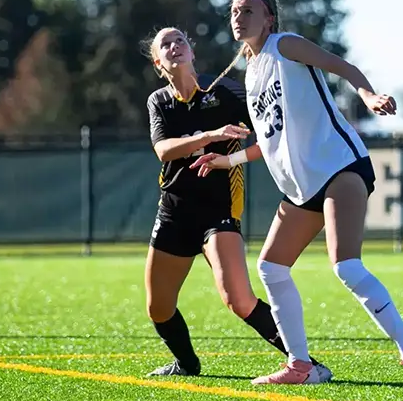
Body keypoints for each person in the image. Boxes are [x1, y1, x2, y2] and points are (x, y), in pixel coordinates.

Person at [190, 0, 403, 389]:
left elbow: (340, 66)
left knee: (347, 267)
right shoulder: (251, 74)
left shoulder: (284, 45)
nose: (238, 16)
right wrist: (227, 160)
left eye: (248, 10)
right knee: (271, 267)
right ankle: (300, 365)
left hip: (339, 165)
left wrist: (368, 94)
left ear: (269, 18)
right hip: (302, 186)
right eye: (234, 10)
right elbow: (269, 140)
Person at [141, 26, 333, 381]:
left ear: (192, 52)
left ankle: (306, 363)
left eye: (180, 40)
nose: (174, 47)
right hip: (174, 210)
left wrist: (234, 159)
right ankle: (187, 364)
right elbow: (163, 150)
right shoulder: (159, 101)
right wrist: (212, 136)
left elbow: (270, 136)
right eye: (165, 45)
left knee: (238, 299)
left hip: (219, 210)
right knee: (158, 308)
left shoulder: (226, 90)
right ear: (158, 62)